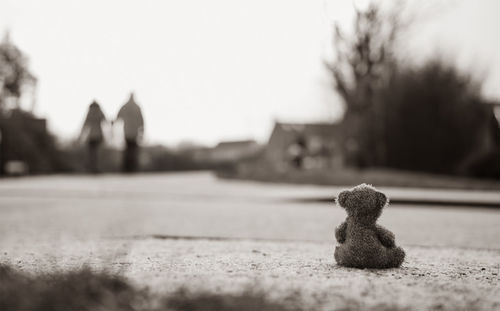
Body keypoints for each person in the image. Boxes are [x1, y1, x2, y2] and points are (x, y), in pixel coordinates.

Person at [115, 93, 144, 172]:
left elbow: (118, 116)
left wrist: (113, 123)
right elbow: (141, 120)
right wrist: (142, 130)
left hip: (127, 131)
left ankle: (127, 168)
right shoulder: (137, 107)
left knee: (128, 150)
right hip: (134, 131)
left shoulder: (125, 106)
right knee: (132, 150)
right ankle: (132, 168)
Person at [80, 100, 106, 173]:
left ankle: (92, 167)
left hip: (91, 135)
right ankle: (94, 167)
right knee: (95, 152)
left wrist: (81, 134)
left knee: (91, 152)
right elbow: (105, 120)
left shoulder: (90, 112)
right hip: (98, 134)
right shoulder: (99, 112)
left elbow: (85, 123)